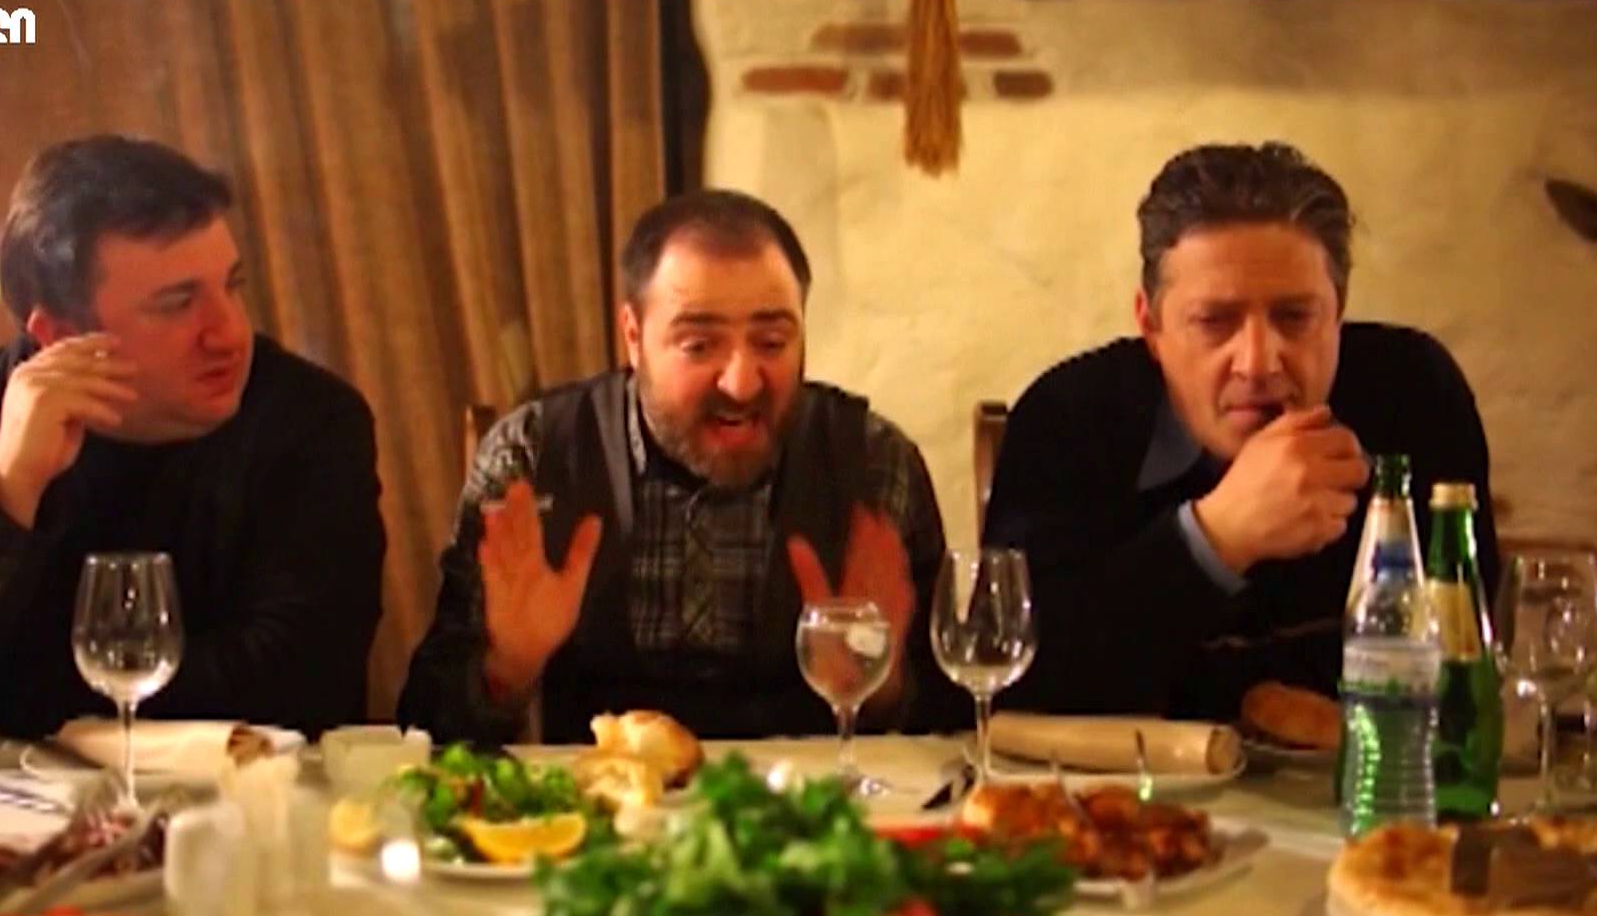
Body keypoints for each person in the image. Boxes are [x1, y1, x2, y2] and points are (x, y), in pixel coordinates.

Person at [0, 135, 384, 739]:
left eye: (232, 286)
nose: (229, 333)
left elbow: (303, 689)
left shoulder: (311, 422)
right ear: (60, 337)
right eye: (177, 303)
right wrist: (5, 490)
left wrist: (18, 698)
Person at [398, 190, 949, 744]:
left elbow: (960, 722)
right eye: (699, 345)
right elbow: (421, 721)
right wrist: (507, 668)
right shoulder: (532, 457)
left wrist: (884, 684)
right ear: (634, 338)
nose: (741, 383)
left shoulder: (874, 465)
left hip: (812, 797)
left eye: (771, 342)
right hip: (600, 794)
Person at [984, 141, 1498, 721]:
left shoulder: (1414, 394)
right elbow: (1012, 682)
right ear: (1151, 326)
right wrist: (1215, 538)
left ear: (1338, 311)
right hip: (1135, 781)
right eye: (1214, 321)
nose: (1257, 362)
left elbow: (1460, 666)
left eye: (1294, 317)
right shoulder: (1068, 418)